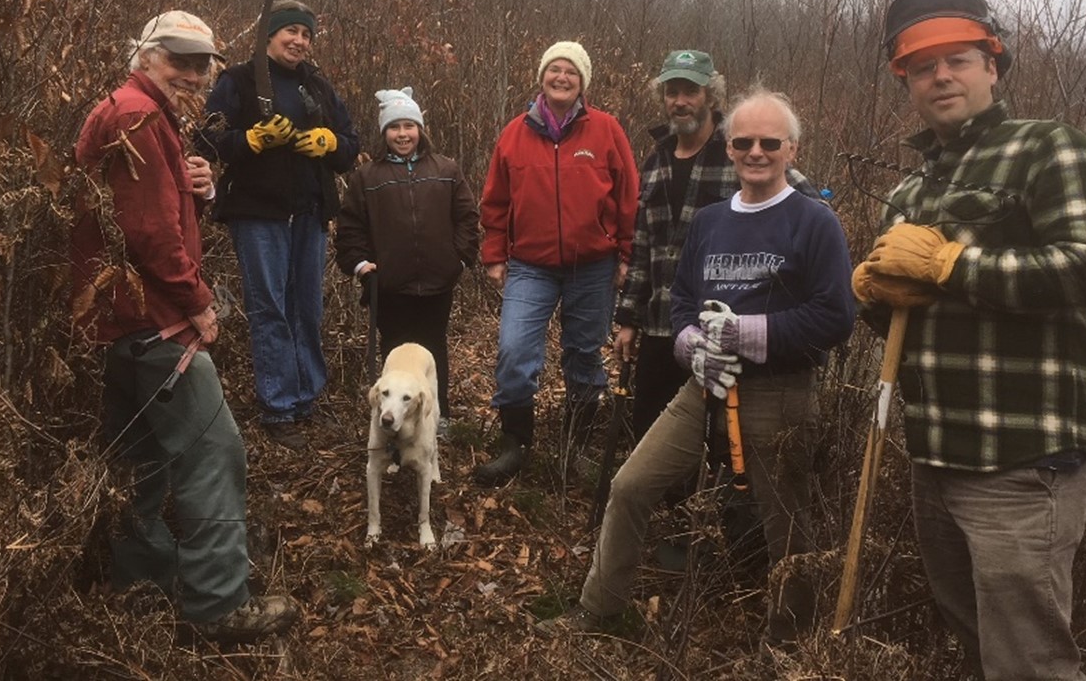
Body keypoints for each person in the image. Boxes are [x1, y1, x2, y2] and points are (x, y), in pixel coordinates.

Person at [853, 0, 1086, 680]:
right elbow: (899, 325)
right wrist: (873, 296)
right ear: (904, 79)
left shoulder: (1052, 150)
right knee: (978, 640)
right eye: (921, 64)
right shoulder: (909, 191)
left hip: (1025, 453)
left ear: (992, 64)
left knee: (1026, 657)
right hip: (937, 453)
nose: (940, 74)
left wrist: (952, 263)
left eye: (958, 58)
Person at [549, 89, 855, 641]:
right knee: (630, 485)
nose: (755, 152)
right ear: (729, 148)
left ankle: (791, 641)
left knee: (783, 521)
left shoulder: (814, 222)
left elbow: (835, 317)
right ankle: (597, 613)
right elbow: (683, 300)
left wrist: (746, 334)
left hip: (779, 391)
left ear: (791, 148)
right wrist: (693, 346)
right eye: (743, 142)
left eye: (768, 142)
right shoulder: (712, 221)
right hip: (704, 388)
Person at [71, 10, 296, 640]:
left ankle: (140, 584)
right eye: (179, 61)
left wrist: (196, 186)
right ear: (145, 56)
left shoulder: (139, 114)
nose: (193, 75)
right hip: (154, 321)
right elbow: (147, 232)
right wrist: (197, 299)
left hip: (121, 322)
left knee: (140, 458)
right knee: (212, 451)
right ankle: (218, 606)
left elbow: (142, 206)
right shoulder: (139, 117)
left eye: (203, 64)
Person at [614, 50, 819, 440]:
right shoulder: (656, 160)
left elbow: (807, 205)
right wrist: (627, 318)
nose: (680, 101)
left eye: (690, 91)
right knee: (651, 432)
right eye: (672, 92)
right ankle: (670, 505)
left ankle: (708, 501)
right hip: (662, 325)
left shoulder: (742, 149)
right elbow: (643, 246)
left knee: (721, 440)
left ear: (710, 96)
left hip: (718, 331)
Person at [474, 41, 640, 486]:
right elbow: (495, 200)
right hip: (531, 264)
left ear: (582, 81)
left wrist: (626, 255)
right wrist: (494, 254)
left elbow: (628, 197)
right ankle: (516, 446)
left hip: (594, 265)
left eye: (571, 71)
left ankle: (576, 446)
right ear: (542, 77)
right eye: (554, 70)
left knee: (585, 354)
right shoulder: (514, 133)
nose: (561, 77)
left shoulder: (606, 130)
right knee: (513, 351)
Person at [199, 0, 359, 450]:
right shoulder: (240, 80)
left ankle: (307, 399)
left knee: (306, 307)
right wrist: (248, 140)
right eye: (291, 32)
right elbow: (207, 139)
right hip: (259, 213)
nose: (300, 41)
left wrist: (330, 143)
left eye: (307, 35)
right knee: (269, 307)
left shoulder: (318, 87)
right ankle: (278, 407)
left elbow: (350, 146)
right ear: (269, 34)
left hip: (309, 212)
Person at [335, 87, 480, 427]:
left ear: (420, 129)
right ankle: (394, 421)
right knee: (397, 352)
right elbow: (350, 226)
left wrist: (457, 260)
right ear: (385, 132)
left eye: (409, 126)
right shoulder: (367, 176)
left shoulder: (446, 169)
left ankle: (435, 416)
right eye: (394, 127)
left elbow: (468, 219)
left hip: (437, 284)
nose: (403, 134)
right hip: (389, 285)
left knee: (432, 351)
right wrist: (360, 265)